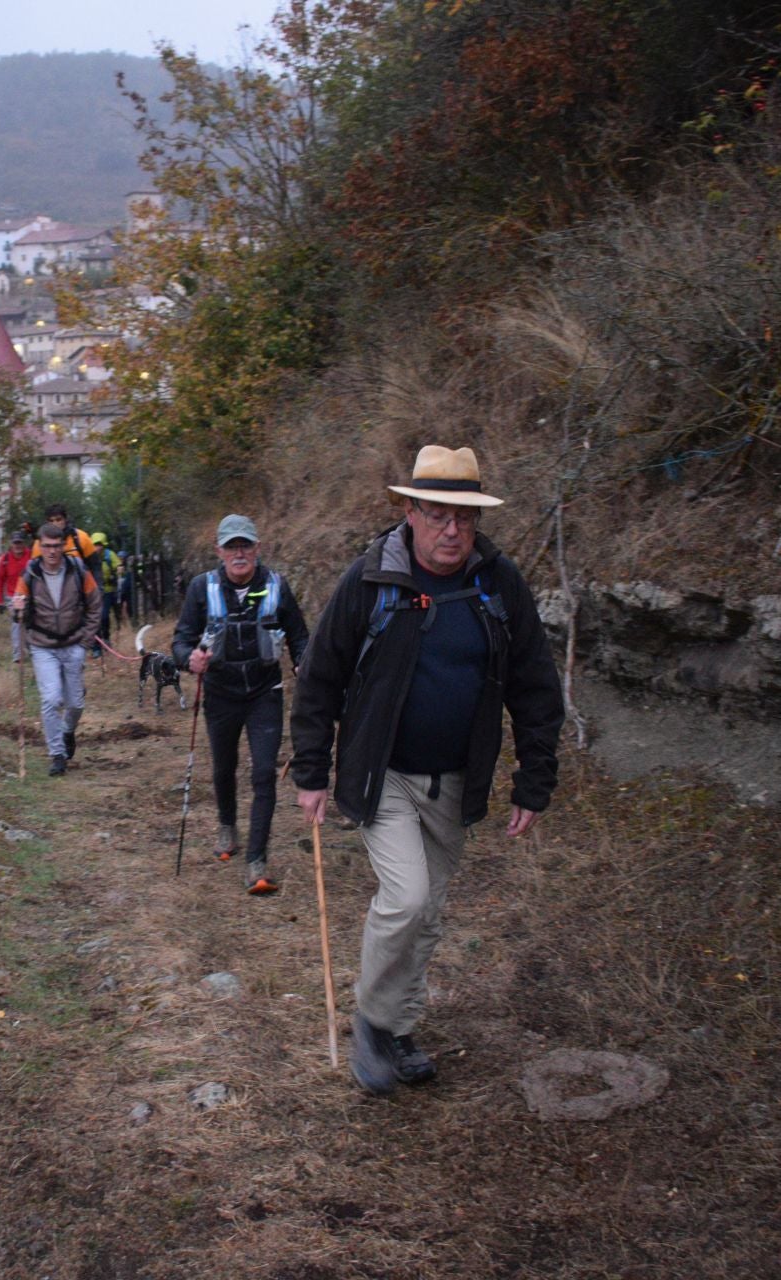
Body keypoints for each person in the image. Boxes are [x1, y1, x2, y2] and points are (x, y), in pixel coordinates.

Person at [290, 445, 564, 1095]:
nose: (452, 531)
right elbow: (320, 677)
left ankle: (399, 1028)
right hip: (382, 773)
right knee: (407, 897)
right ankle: (373, 1024)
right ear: (410, 512)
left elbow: (534, 686)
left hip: (455, 782)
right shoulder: (371, 580)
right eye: (438, 514)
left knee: (429, 913)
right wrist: (310, 771)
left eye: (464, 518)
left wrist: (535, 777)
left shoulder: (498, 585)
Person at [172, 515, 310, 894]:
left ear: (257, 549)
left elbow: (299, 635)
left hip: (265, 691)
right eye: (231, 547)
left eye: (245, 546)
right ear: (219, 551)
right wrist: (189, 659)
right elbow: (180, 640)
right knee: (224, 767)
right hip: (220, 691)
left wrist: (303, 660)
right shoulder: (203, 588)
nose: (239, 553)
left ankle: (256, 860)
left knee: (264, 773)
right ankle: (227, 826)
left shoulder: (275, 586)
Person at [13, 522, 101, 777]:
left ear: (63, 546)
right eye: (47, 546)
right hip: (43, 646)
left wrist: (87, 639)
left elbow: (95, 604)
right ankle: (57, 754)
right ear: (40, 546)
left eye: (56, 546)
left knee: (75, 703)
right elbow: (17, 610)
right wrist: (16, 609)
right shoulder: (30, 574)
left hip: (74, 642)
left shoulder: (77, 570)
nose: (51, 551)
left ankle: (67, 731)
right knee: (51, 699)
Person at [0, 530, 33, 662]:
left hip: (30, 594)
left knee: (31, 624)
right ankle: (18, 655)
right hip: (13, 596)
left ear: (24, 543)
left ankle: (33, 650)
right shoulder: (4, 560)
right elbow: (0, 582)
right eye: (15, 543)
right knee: (17, 623)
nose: (18, 546)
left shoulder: (31, 556)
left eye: (20, 543)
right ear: (11, 544)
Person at [90, 531, 122, 646]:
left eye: (99, 545)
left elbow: (118, 565)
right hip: (93, 592)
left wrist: (119, 569)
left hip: (108, 591)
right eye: (94, 544)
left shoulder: (109, 555)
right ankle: (96, 643)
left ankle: (106, 638)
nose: (96, 547)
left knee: (104, 616)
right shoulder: (89, 557)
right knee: (94, 618)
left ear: (103, 545)